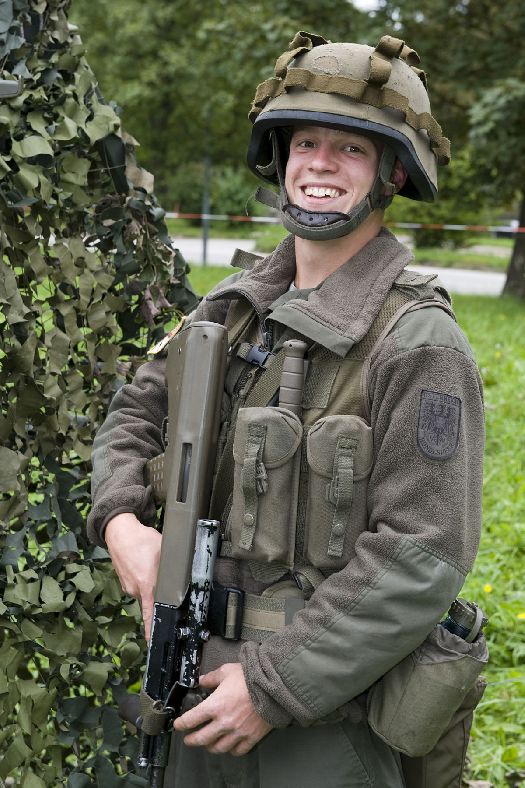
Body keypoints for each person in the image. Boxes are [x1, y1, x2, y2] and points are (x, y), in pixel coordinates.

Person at [87, 31, 485, 787]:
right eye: (305, 142)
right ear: (280, 158)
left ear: (394, 172)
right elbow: (133, 415)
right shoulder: (230, 309)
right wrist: (122, 525)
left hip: (323, 722)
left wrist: (273, 688)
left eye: (351, 148)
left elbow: (422, 552)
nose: (321, 164)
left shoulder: (418, 340)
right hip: (194, 684)